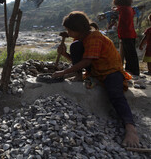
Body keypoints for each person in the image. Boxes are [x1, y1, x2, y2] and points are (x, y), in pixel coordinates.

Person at [53, 11, 139, 148]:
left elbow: (86, 62)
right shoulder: (80, 40)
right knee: (75, 46)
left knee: (115, 95)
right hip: (96, 71)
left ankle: (130, 128)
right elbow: (82, 61)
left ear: (78, 29)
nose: (67, 33)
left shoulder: (94, 37)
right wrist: (64, 54)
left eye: (69, 30)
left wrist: (64, 71)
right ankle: (78, 75)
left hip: (111, 71)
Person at [112, 0, 140, 77]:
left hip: (127, 34)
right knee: (129, 54)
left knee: (130, 54)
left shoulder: (124, 9)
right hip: (130, 34)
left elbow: (118, 9)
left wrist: (114, 9)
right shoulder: (130, 9)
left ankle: (134, 71)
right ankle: (130, 70)